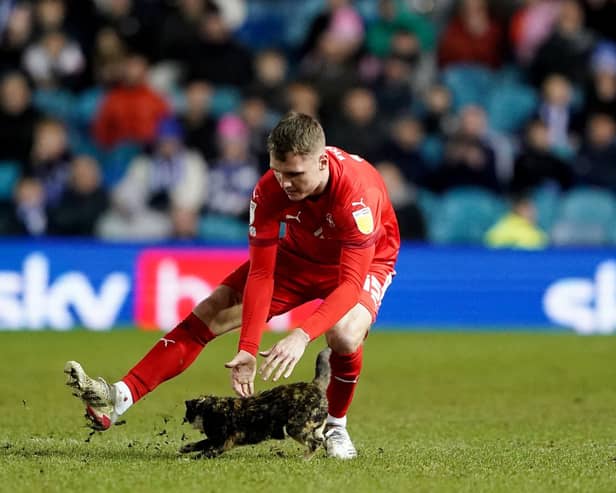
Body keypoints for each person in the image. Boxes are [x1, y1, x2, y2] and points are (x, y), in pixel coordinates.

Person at [65, 112, 401, 460]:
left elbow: (348, 284)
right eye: (279, 171)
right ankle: (121, 395)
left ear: (321, 161)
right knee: (212, 310)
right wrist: (248, 346)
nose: (285, 183)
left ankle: (335, 425)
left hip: (366, 262)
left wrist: (301, 336)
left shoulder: (357, 195)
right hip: (299, 259)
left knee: (344, 334)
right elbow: (261, 274)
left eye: (295, 175)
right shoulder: (270, 188)